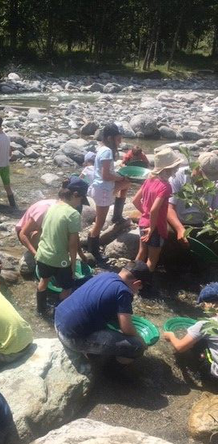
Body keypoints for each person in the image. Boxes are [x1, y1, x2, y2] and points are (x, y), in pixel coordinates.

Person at [55, 261, 151, 369]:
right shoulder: (123, 291)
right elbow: (126, 328)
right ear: (137, 283)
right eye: (139, 289)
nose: (137, 291)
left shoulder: (105, 275)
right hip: (71, 337)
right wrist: (140, 339)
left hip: (58, 319)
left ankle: (94, 354)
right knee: (137, 347)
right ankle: (107, 372)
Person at [35, 177, 89, 315]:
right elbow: (72, 244)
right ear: (75, 195)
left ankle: (40, 310)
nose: (80, 204)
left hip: (42, 254)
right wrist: (72, 265)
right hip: (60, 259)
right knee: (67, 288)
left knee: (43, 281)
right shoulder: (73, 214)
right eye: (81, 200)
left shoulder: (52, 207)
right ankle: (58, 313)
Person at [132, 147, 181, 273]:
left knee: (141, 253)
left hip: (143, 223)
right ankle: (145, 285)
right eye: (174, 167)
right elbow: (154, 210)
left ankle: (131, 277)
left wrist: (145, 214)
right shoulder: (165, 187)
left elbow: (135, 201)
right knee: (152, 260)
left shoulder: (149, 180)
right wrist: (152, 228)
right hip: (156, 228)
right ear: (168, 169)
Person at [88, 123, 130, 262]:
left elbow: (105, 172)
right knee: (99, 223)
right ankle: (94, 251)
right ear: (110, 138)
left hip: (101, 187)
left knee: (126, 185)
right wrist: (119, 177)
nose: (120, 142)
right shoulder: (107, 151)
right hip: (103, 190)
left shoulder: (102, 149)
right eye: (118, 140)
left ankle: (117, 217)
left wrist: (119, 178)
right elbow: (106, 175)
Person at [164, 283, 218, 380]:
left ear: (213, 304)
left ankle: (201, 368)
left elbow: (179, 347)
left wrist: (171, 336)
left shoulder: (206, 324)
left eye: (204, 304)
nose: (203, 308)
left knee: (196, 342)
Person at [167, 152, 218, 244]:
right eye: (205, 177)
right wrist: (180, 229)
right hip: (178, 222)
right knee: (168, 235)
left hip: (201, 225)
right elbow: (169, 208)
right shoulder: (178, 176)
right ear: (197, 168)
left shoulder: (214, 183)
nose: (207, 181)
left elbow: (214, 210)